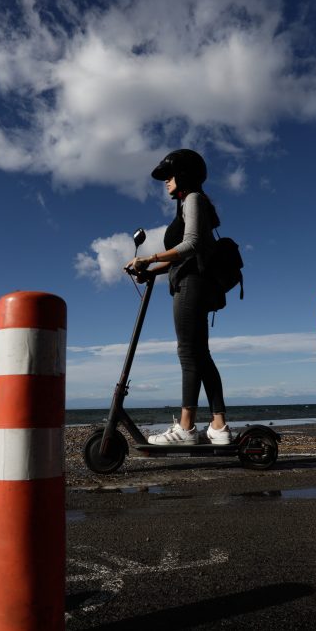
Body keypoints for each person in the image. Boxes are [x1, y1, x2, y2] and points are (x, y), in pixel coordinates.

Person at [126, 148, 231, 445]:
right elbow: (180, 258)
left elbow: (193, 244)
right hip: (190, 281)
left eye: (170, 175)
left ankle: (186, 428)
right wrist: (152, 270)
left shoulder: (193, 199)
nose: (166, 181)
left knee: (188, 354)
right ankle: (219, 427)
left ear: (184, 174)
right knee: (200, 355)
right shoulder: (188, 203)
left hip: (191, 285)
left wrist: (149, 258)